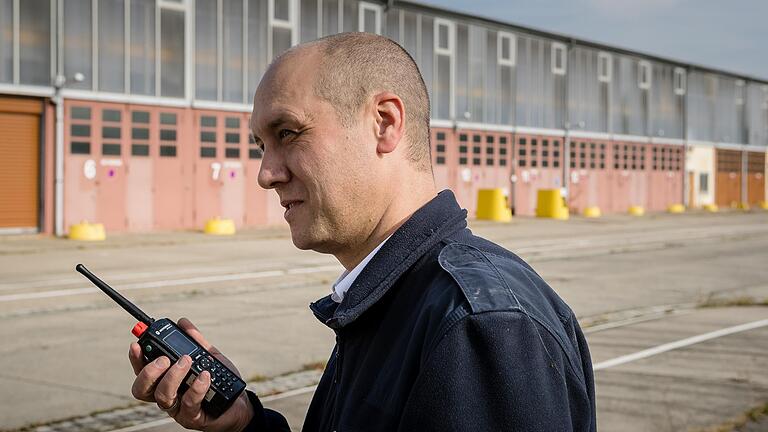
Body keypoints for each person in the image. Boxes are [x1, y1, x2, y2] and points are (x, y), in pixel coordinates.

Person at [127, 32, 596, 432]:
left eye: (287, 133)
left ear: (384, 123)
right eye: (260, 146)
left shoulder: (479, 325)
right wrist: (245, 423)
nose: (265, 174)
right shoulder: (393, 298)